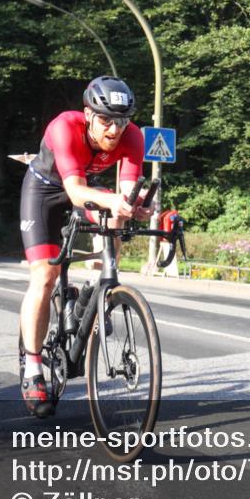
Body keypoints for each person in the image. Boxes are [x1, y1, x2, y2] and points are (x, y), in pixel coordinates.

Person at [18, 76, 152, 417]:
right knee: (46, 276)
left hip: (85, 187)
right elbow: (76, 194)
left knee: (114, 223)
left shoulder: (134, 137)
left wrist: (135, 206)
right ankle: (33, 368)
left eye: (121, 121)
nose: (113, 130)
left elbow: (125, 193)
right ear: (88, 114)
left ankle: (95, 294)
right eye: (105, 120)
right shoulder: (65, 127)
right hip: (46, 191)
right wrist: (114, 201)